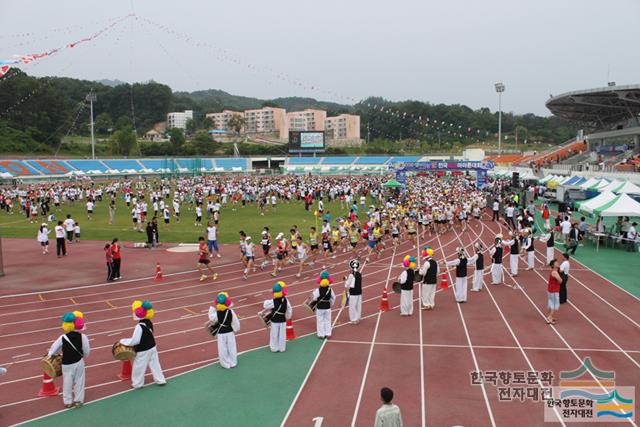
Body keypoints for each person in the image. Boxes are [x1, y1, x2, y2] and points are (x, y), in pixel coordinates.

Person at [47, 311, 90, 408]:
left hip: (66, 364)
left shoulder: (62, 337)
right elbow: (87, 352)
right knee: (79, 381)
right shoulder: (83, 337)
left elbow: (53, 349)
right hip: (79, 362)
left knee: (67, 382)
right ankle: (78, 400)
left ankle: (68, 402)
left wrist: (50, 355)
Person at [120, 300, 167, 388]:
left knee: (139, 367)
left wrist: (123, 341)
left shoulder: (139, 326)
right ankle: (160, 380)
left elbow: (135, 341)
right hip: (152, 347)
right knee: (155, 364)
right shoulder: (149, 322)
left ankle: (137, 383)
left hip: (143, 350)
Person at [208, 292, 240, 368]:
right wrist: (236, 329)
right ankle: (233, 362)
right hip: (229, 332)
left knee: (222, 348)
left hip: (221, 333)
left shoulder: (217, 313)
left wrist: (212, 310)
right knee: (231, 347)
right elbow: (235, 322)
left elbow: (212, 318)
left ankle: (225, 363)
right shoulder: (231, 311)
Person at [262, 282, 292, 352]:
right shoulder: (286, 300)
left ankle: (274, 348)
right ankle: (282, 348)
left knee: (274, 334)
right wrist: (288, 317)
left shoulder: (273, 301)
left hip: (275, 320)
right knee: (282, 334)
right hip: (283, 320)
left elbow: (265, 305)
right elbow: (289, 309)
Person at [312, 271, 336, 339]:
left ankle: (321, 334)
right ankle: (328, 333)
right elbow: (333, 298)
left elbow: (314, 298)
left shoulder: (318, 290)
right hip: (327, 307)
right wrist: (330, 304)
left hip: (320, 307)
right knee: (328, 320)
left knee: (320, 321)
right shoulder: (330, 289)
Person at [344, 259, 362, 323]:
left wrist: (345, 281)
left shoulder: (351, 275)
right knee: (358, 306)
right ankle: (358, 317)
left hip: (353, 293)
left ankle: (354, 319)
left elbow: (347, 285)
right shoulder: (359, 274)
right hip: (359, 292)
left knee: (352, 306)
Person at [546, 260, 562, 324]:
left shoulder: (554, 271)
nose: (558, 263)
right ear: (553, 265)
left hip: (550, 289)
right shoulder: (555, 272)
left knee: (551, 303)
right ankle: (550, 317)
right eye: (556, 263)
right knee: (555, 304)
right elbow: (560, 281)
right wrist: (560, 279)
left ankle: (550, 316)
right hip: (554, 290)